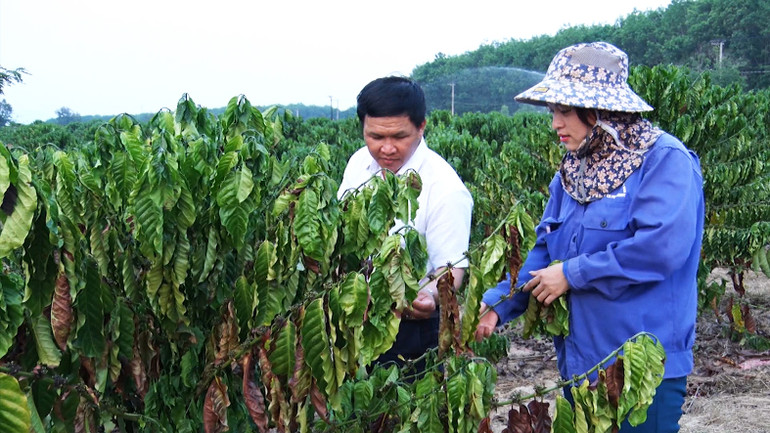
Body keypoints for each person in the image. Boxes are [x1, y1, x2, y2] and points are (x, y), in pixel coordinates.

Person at [474, 42, 704, 432]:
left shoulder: (663, 160)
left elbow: (660, 249)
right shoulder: (573, 171)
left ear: (602, 110)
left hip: (641, 365)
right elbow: (545, 250)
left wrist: (574, 273)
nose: (556, 124)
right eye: (553, 111)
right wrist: (498, 304)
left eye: (564, 111)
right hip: (582, 362)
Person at [337, 76, 473, 373]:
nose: (386, 148)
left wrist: (431, 296)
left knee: (402, 411)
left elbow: (452, 270)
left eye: (399, 137)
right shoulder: (359, 163)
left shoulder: (444, 188)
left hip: (409, 329)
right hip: (355, 316)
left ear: (421, 127)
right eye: (375, 137)